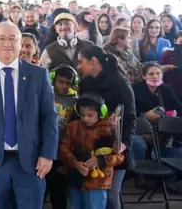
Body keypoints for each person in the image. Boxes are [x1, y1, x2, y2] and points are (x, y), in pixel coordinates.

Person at [0, 21, 58, 209]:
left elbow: (49, 117)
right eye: (1, 38)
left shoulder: (39, 75)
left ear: (20, 43)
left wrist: (48, 154)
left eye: (13, 39)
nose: (7, 44)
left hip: (32, 161)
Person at [76, 46, 136, 209]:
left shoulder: (120, 84)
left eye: (81, 62)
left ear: (93, 61)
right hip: (89, 146)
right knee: (91, 195)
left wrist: (124, 143)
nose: (78, 66)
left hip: (115, 148)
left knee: (110, 194)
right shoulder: (85, 84)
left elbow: (130, 118)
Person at [59, 94, 124, 209]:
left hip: (98, 182)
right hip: (75, 178)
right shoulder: (73, 126)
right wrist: (75, 163)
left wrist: (100, 161)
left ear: (101, 113)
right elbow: (64, 148)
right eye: (82, 114)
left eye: (90, 115)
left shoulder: (109, 128)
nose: (85, 118)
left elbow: (119, 157)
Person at [46, 64, 79, 209]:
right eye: (61, 82)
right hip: (46, 149)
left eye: (68, 83)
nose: (64, 86)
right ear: (53, 79)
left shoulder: (75, 101)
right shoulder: (46, 95)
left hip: (63, 152)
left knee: (59, 193)